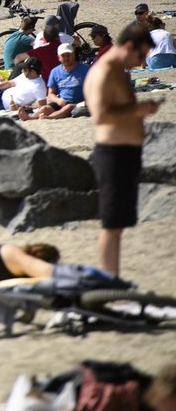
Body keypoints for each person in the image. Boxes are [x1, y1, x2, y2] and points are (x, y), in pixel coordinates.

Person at [84, 22, 160, 276]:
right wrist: (138, 110)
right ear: (129, 46)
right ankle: (110, 282)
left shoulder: (117, 70)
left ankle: (113, 281)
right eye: (140, 56)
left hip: (125, 154)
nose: (140, 64)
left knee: (118, 224)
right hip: (113, 154)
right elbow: (101, 116)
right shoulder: (105, 70)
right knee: (112, 224)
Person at [19, 44, 89, 120]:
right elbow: (51, 93)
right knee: (45, 108)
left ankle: (49, 117)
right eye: (63, 55)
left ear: (74, 55)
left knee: (68, 107)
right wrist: (58, 100)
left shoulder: (85, 69)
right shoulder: (55, 72)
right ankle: (30, 118)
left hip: (80, 102)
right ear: (59, 58)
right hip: (62, 101)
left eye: (68, 55)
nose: (66, 58)